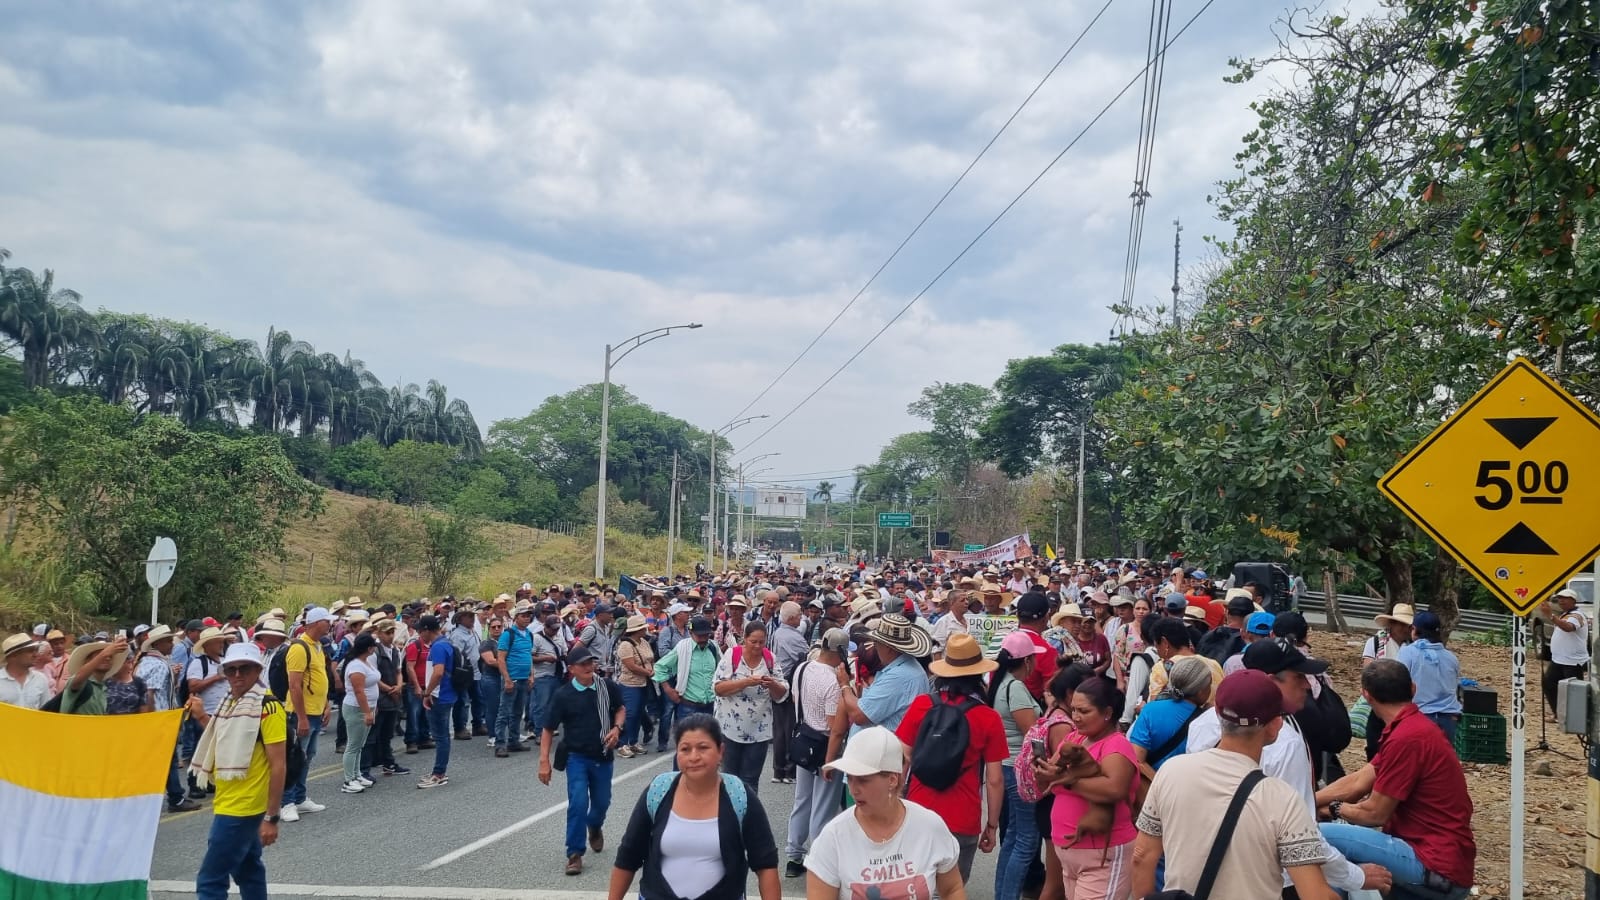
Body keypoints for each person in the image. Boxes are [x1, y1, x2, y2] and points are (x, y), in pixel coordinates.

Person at [1132, 670, 1336, 900]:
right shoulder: (1283, 800)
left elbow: (1142, 856)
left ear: (1218, 714)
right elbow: (1317, 895)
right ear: (1275, 725)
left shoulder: (1171, 772)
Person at [1317, 659, 1476, 898]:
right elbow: (1358, 782)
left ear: (1366, 696)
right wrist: (1304, 798)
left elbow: (1374, 814)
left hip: (1435, 864)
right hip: (1435, 857)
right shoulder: (1411, 727)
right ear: (1413, 689)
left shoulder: (1408, 737)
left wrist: (1334, 808)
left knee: (1315, 834)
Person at [609, 714, 781, 900]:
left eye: (703, 748)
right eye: (685, 749)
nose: (694, 757)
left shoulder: (739, 795)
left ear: (720, 751)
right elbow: (628, 855)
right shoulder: (659, 790)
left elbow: (766, 864)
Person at [804, 726, 967, 900]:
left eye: (862, 780)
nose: (853, 790)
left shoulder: (930, 827)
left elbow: (952, 890)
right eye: (850, 778)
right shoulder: (833, 837)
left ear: (892, 780)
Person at [894, 631, 1006, 884]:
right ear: (979, 673)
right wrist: (992, 825)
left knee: (915, 885)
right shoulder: (988, 717)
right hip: (962, 816)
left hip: (918, 811)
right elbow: (995, 779)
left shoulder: (922, 704)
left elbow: (902, 758)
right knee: (951, 889)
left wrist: (894, 805)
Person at [188, 642, 286, 900]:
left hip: (243, 806)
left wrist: (272, 817)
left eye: (244, 669)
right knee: (249, 870)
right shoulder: (230, 702)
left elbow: (279, 765)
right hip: (228, 798)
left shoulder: (268, 707)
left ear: (257, 670)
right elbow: (225, 740)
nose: (237, 676)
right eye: (231, 670)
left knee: (210, 880)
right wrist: (200, 716)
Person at [1031, 677, 1137, 900]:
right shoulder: (1074, 738)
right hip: (1070, 855)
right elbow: (1050, 782)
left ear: (1107, 712)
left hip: (1101, 856)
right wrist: (1044, 773)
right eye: (1074, 710)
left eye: (1084, 711)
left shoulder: (1115, 744)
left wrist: (1067, 780)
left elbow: (1115, 789)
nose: (1076, 717)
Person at [541, 644, 626, 876]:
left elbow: (620, 709)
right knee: (578, 802)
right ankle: (574, 853)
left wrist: (617, 728)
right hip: (576, 756)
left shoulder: (606, 687)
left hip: (602, 755)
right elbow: (548, 729)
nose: (589, 667)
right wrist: (544, 762)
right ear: (572, 669)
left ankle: (595, 826)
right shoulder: (563, 695)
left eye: (591, 662)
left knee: (601, 803)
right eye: (583, 664)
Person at [784, 628, 851, 879]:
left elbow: (794, 700)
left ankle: (794, 854)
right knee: (823, 807)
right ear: (840, 652)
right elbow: (835, 728)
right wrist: (830, 761)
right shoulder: (833, 681)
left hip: (804, 737)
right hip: (824, 744)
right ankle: (818, 861)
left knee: (802, 800)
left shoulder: (803, 668)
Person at [989, 631, 1047, 900]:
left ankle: (1003, 894)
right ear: (1026, 661)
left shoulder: (1001, 684)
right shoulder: (1015, 688)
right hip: (1017, 769)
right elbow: (1031, 735)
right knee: (1026, 840)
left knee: (1013, 837)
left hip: (1005, 766)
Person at [713, 621, 790, 788]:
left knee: (750, 781)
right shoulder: (732, 656)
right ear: (744, 639)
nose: (757, 646)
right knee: (730, 779)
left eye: (761, 642)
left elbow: (782, 694)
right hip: (730, 729)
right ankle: (729, 813)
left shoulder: (770, 659)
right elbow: (718, 688)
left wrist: (772, 684)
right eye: (753, 641)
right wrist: (746, 682)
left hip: (759, 731)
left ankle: (749, 813)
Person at [838, 614, 931, 733]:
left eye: (877, 642)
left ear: (889, 647)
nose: (875, 647)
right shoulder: (905, 668)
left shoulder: (899, 676)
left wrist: (844, 685)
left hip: (881, 749)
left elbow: (859, 715)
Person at [1128, 654, 1211, 771]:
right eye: (1209, 685)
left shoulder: (1150, 710)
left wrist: (1158, 784)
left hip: (1151, 785)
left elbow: (1137, 760)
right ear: (1201, 691)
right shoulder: (1208, 719)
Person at [1395, 611, 1462, 740]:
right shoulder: (1451, 658)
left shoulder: (1407, 653)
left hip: (1419, 717)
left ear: (1414, 629)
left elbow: (1398, 684)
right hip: (1448, 720)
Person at [769, 600, 810, 784]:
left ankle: (778, 770)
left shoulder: (778, 633)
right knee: (791, 728)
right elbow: (806, 657)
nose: (801, 617)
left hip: (777, 683)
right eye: (799, 614)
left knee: (779, 729)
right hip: (790, 685)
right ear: (792, 618)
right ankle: (789, 770)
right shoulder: (794, 637)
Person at [655, 615, 721, 725]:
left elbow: (721, 670)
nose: (704, 639)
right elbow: (660, 667)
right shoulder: (682, 647)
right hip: (688, 708)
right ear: (691, 633)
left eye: (706, 635)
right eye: (700, 636)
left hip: (711, 707)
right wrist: (668, 690)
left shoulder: (713, 647)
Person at [364, 618, 409, 778]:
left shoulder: (395, 651)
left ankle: (388, 763)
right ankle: (364, 769)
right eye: (387, 633)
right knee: (372, 736)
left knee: (387, 734)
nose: (390, 636)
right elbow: (372, 675)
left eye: (392, 632)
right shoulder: (374, 652)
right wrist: (390, 689)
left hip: (392, 697)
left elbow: (398, 671)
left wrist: (398, 686)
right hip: (379, 697)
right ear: (379, 633)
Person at [417, 614, 458, 788]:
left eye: (420, 631)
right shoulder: (446, 643)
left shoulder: (438, 647)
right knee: (442, 735)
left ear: (427, 630)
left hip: (440, 696)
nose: (419, 634)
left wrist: (427, 693)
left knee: (440, 736)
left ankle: (439, 773)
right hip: (447, 693)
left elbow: (438, 672)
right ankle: (439, 770)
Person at [339, 633, 380, 794]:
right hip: (357, 708)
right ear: (369, 648)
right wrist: (366, 712)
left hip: (368, 707)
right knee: (353, 745)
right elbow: (358, 691)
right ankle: (349, 780)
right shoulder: (356, 666)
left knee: (360, 744)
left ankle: (357, 774)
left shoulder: (366, 662)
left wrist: (372, 708)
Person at [495, 605, 536, 756]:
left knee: (518, 712)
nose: (526, 618)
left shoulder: (529, 634)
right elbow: (500, 658)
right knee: (504, 712)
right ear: (516, 617)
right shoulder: (508, 635)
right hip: (512, 679)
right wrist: (507, 679)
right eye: (523, 615)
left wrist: (531, 675)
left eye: (528, 615)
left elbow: (529, 656)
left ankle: (513, 741)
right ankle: (500, 744)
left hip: (524, 679)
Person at [1542, 588, 1589, 719]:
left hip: (1573, 662)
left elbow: (1568, 627)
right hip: (1559, 660)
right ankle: (1559, 715)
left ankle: (1577, 718)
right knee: (1549, 685)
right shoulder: (1565, 614)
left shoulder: (1577, 615)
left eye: (1565, 598)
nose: (1561, 601)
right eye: (1560, 598)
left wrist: (1551, 616)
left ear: (1573, 601)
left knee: (1574, 692)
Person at [615, 614, 657, 757]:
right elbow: (631, 666)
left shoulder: (643, 642)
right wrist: (647, 672)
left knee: (638, 713)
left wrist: (652, 669)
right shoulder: (626, 645)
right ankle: (622, 743)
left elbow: (651, 658)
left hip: (643, 682)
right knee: (630, 713)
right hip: (630, 683)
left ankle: (633, 741)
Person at [61, 637, 129, 715]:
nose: (107, 658)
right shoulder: (81, 682)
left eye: (110, 656)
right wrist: (105, 653)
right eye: (99, 655)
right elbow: (78, 678)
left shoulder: (103, 687)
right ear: (87, 661)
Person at [446, 608, 484, 740]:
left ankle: (478, 724)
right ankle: (460, 727)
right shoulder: (457, 635)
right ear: (460, 619)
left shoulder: (471, 631)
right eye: (468, 616)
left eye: (472, 616)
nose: (472, 619)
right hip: (463, 673)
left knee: (478, 698)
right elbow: (457, 655)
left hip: (475, 671)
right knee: (462, 701)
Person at [0, 633, 51, 710]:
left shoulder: (41, 679)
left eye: (36, 650)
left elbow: (47, 712)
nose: (36, 655)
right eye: (30, 651)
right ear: (14, 655)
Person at [106, 650, 151, 714]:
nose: (131, 666)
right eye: (128, 663)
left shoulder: (139, 682)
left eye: (132, 662)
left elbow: (144, 710)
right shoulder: (105, 682)